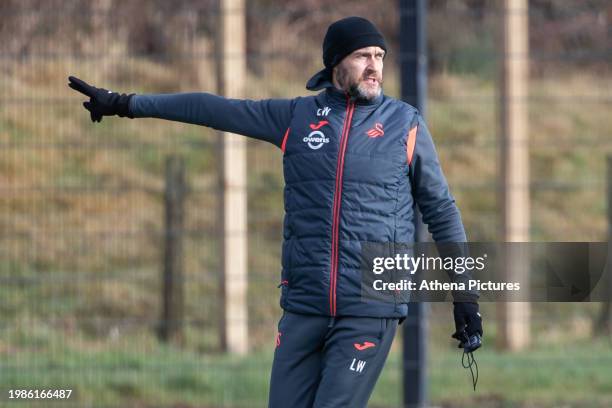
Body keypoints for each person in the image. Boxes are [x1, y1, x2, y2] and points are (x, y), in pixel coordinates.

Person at [68, 16, 483, 408]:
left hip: (370, 304)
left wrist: (466, 296)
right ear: (336, 63)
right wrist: (126, 103)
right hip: (305, 303)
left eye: (379, 56)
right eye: (363, 56)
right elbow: (212, 109)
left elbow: (441, 211)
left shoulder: (404, 123)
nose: (374, 66)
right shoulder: (297, 117)